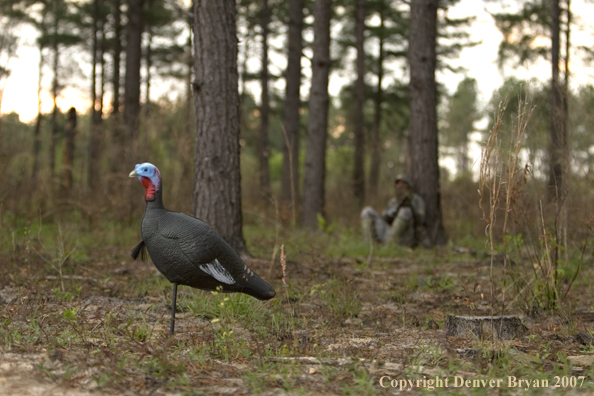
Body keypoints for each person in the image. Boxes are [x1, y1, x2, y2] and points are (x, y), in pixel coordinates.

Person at [361, 175, 429, 247]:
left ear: (408, 186)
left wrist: (410, 208)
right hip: (388, 232)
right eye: (398, 184)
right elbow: (383, 218)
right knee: (367, 211)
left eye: (403, 183)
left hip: (406, 236)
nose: (400, 186)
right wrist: (393, 213)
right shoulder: (392, 202)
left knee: (405, 210)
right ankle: (369, 245)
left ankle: (389, 246)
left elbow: (421, 220)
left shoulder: (416, 200)